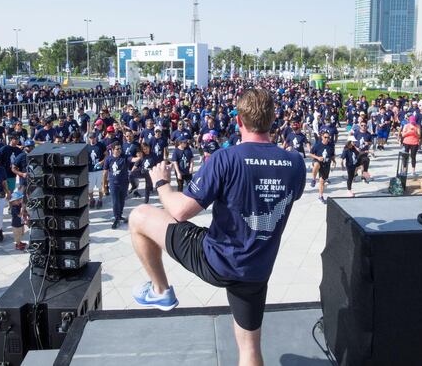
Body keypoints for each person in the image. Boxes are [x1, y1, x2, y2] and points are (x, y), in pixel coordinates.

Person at [128, 88, 305, 366]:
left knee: (139, 216)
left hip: (217, 260)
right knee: (249, 348)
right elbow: (284, 197)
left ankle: (161, 291)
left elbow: (180, 211)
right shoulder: (295, 163)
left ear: (239, 122)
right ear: (273, 119)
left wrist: (162, 183)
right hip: (257, 268)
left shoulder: (225, 158)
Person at [103, 142, 129, 229]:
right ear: (113, 150)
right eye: (117, 149)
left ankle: (120, 215)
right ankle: (116, 218)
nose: (119, 150)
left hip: (124, 183)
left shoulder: (124, 157)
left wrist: (139, 157)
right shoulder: (108, 159)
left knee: (122, 201)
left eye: (120, 148)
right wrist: (104, 186)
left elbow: (132, 159)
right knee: (115, 202)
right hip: (114, 184)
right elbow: (105, 173)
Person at [309, 131, 335, 203]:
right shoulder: (317, 145)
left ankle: (320, 196)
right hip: (317, 161)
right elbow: (310, 154)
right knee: (317, 164)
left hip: (326, 165)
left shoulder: (331, 145)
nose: (327, 139)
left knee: (322, 181)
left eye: (328, 137)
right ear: (322, 137)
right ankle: (313, 179)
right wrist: (317, 157)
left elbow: (332, 155)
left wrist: (334, 162)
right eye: (325, 137)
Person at [87, 132, 106, 209]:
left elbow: (106, 154)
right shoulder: (87, 147)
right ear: (89, 139)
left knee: (100, 186)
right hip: (90, 170)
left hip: (99, 170)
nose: (92, 139)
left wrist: (102, 162)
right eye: (91, 138)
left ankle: (100, 199)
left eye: (94, 137)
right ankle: (91, 199)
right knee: (90, 187)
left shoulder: (101, 145)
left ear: (96, 138)